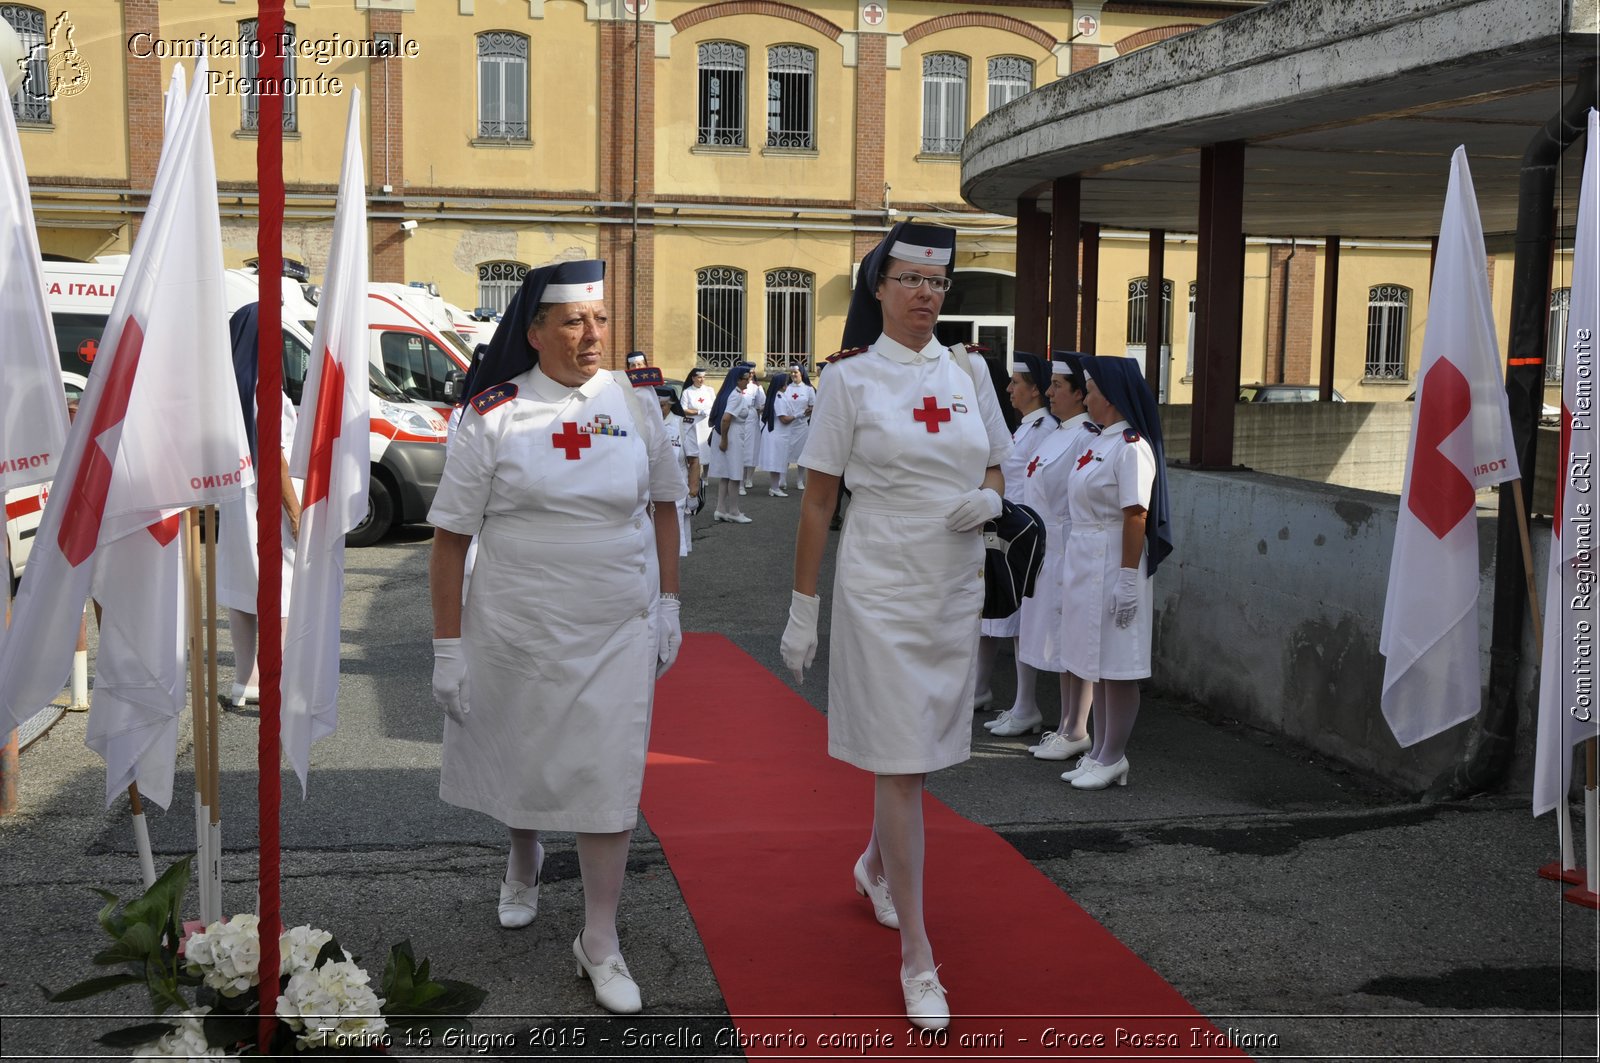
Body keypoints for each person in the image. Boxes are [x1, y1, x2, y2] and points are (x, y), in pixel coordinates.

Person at [427, 259, 685, 1015]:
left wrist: (669, 600)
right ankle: (523, 850)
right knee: (527, 745)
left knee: (608, 773)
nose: (591, 334)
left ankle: (598, 939)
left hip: (616, 621)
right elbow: (449, 540)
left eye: (600, 319)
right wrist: (448, 646)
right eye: (573, 321)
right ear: (534, 331)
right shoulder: (494, 413)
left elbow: (667, 502)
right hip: (520, 622)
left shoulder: (635, 405)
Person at [781, 221, 1010, 1030]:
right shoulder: (848, 383)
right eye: (910, 279)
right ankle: (918, 954)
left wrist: (991, 496)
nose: (925, 296)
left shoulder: (970, 369)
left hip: (952, 581)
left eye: (938, 283)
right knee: (903, 765)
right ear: (878, 286)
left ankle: (875, 865)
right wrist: (804, 605)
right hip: (879, 580)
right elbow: (818, 498)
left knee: (922, 755)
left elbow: (995, 459)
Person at [1056, 354, 1172, 790]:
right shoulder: (1098, 443)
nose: (1085, 396)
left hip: (1114, 559)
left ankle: (1115, 755)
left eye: (1091, 389)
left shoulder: (1131, 447)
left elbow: (1135, 515)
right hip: (1088, 556)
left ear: (1112, 396)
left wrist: (1127, 577)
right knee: (1096, 660)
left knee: (1118, 663)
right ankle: (1100, 751)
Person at [1008, 352, 1102, 762]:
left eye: (1058, 387)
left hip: (1067, 544)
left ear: (1081, 395)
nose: (1049, 393)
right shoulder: (1058, 432)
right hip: (1045, 546)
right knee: (1054, 637)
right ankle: (1065, 724)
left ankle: (1076, 726)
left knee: (1071, 638)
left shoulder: (1085, 435)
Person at [218, 303, 301, 707]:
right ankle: (272, 678)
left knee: (242, 589)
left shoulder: (228, 389)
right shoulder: (264, 390)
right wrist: (296, 511)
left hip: (237, 501)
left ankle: (244, 678)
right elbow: (277, 458)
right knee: (280, 590)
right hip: (265, 501)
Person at [977, 352, 1057, 731]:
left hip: (1023, 535)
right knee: (999, 618)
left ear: (1035, 389)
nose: (1008, 389)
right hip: (1006, 529)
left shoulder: (1043, 430)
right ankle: (1002, 698)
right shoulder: (1025, 427)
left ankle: (1026, 705)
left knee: (1022, 621)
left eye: (1016, 382)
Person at [704, 363, 755, 523]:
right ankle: (734, 511)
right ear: (737, 380)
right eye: (745, 379)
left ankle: (720, 509)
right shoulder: (736, 395)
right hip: (731, 436)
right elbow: (726, 419)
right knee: (734, 475)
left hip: (727, 435)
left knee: (726, 474)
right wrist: (725, 440)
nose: (748, 382)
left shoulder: (726, 393)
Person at [657, 385, 702, 554]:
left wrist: (693, 491)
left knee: (673, 544)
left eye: (662, 405)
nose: (658, 409)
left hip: (676, 490)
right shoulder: (644, 423)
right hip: (650, 490)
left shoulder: (683, 425)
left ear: (670, 404)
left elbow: (694, 461)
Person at [757, 371, 802, 496]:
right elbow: (784, 419)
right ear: (783, 385)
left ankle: (775, 487)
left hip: (778, 434)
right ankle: (774, 488)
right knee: (777, 461)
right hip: (777, 434)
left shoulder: (779, 396)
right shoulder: (779, 398)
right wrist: (798, 415)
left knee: (778, 461)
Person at [787, 363, 815, 491]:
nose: (793, 375)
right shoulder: (786, 388)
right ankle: (782, 479)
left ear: (801, 373)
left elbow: (813, 406)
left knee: (801, 455)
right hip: (787, 425)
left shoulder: (808, 389)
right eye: (791, 373)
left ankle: (799, 480)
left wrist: (807, 412)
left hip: (802, 426)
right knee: (785, 453)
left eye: (795, 372)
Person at [681, 367, 715, 453]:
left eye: (704, 377)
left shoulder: (709, 390)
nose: (702, 380)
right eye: (699, 377)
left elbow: (715, 406)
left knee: (708, 453)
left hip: (707, 426)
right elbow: (683, 409)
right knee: (695, 454)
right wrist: (699, 412)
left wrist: (711, 411)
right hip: (693, 426)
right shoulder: (687, 392)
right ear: (693, 378)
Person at [741, 370, 764, 492]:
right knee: (741, 448)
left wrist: (756, 411)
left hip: (751, 417)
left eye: (751, 373)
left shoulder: (756, 387)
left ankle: (749, 478)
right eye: (748, 372)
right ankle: (740, 477)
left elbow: (762, 404)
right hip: (739, 417)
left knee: (752, 447)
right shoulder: (736, 385)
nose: (750, 375)